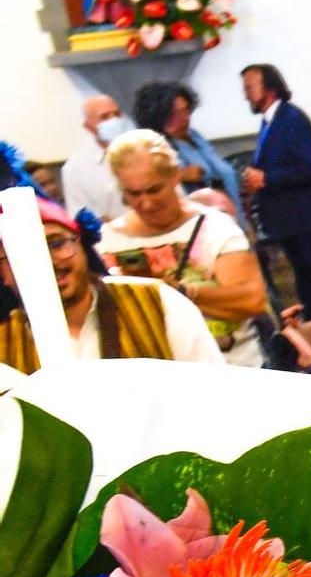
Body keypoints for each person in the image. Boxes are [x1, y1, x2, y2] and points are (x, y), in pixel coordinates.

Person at [98, 129, 269, 368]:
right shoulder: (109, 238)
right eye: (133, 194)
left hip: (231, 368)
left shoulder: (216, 228)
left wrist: (176, 292)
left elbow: (251, 300)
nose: (145, 203)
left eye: (154, 189)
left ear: (175, 177)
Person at [0, 195, 224, 370]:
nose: (47, 262)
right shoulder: (3, 343)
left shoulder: (158, 302)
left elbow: (211, 390)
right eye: (20, 254)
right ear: (3, 273)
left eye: (56, 244)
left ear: (82, 246)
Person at [240, 63, 311, 330]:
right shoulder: (271, 122)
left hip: (306, 217)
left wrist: (267, 178)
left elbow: (310, 167)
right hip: (291, 219)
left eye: (249, 88)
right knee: (307, 278)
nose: (245, 95)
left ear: (269, 88)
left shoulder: (291, 120)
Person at [132, 82, 242, 218]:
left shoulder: (195, 136)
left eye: (186, 110)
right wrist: (181, 175)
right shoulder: (152, 146)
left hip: (233, 215)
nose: (184, 118)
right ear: (158, 116)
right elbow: (147, 185)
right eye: (175, 113)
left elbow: (225, 174)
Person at [60, 94, 128, 222]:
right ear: (88, 126)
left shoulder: (148, 150)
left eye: (117, 114)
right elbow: (82, 217)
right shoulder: (75, 169)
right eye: (105, 117)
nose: (114, 120)